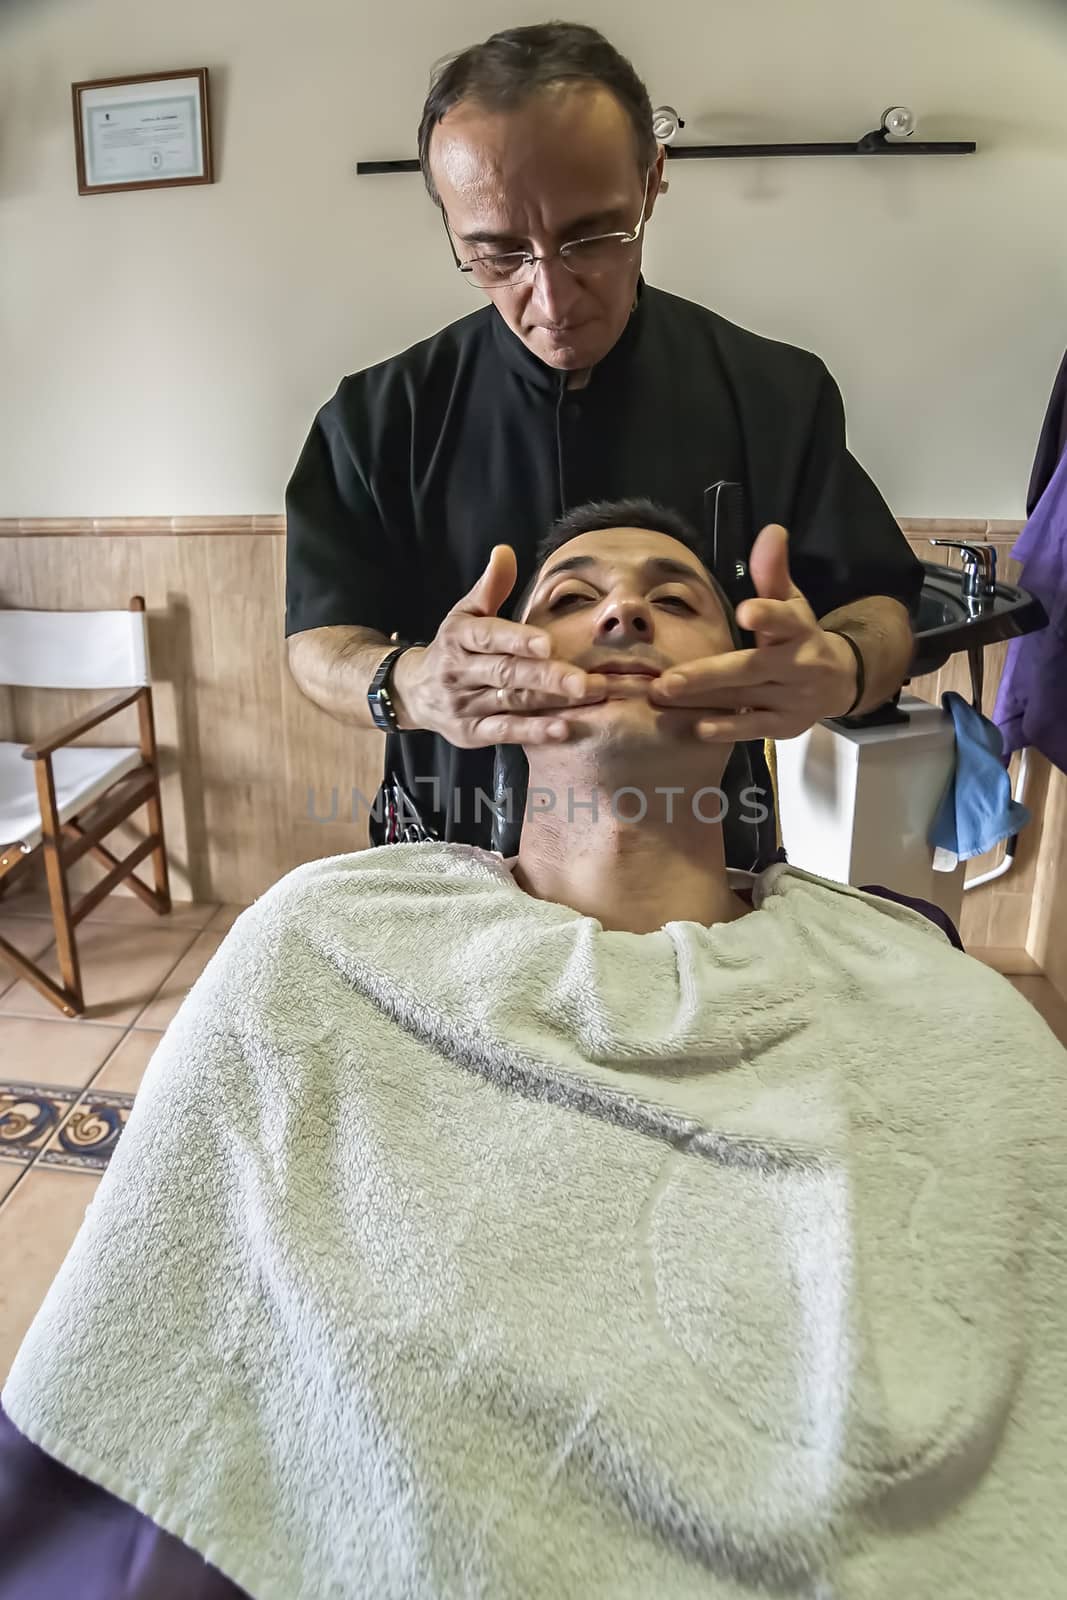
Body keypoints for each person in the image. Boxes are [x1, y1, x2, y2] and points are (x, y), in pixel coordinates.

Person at [3, 504, 1064, 1600]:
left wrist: (847, 655)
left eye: (674, 599)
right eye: (569, 598)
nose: (619, 610)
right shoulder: (319, 935)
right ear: (500, 683)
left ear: (749, 684)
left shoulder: (936, 1003)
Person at [284, 20, 922, 861]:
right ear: (449, 226)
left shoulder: (775, 394)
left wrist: (839, 666)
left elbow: (881, 607)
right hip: (447, 859)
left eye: (590, 238)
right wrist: (409, 684)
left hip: (704, 861)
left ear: (653, 181)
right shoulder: (377, 418)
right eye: (498, 254)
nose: (550, 299)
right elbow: (317, 641)